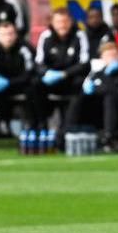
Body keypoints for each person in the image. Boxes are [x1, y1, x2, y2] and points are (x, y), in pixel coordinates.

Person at [34, 8, 90, 143]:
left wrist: (64, 74)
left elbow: (84, 64)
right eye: (58, 22)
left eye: (65, 21)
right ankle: (40, 126)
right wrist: (46, 72)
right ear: (52, 23)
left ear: (70, 22)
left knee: (79, 85)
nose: (62, 25)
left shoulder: (79, 36)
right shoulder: (45, 36)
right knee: (34, 85)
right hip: (51, 81)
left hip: (71, 80)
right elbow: (38, 63)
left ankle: (65, 131)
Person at [77, 41, 118, 152]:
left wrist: (104, 84)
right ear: (102, 58)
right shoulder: (96, 73)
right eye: (109, 55)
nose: (112, 58)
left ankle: (111, 136)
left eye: (114, 55)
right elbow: (88, 88)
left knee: (111, 98)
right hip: (97, 107)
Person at [0, 21, 39, 130]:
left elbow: (29, 73)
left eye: (10, 34)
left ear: (16, 35)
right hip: (2, 86)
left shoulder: (24, 49)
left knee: (34, 87)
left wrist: (10, 82)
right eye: (4, 34)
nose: (8, 38)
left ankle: (34, 125)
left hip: (21, 84)